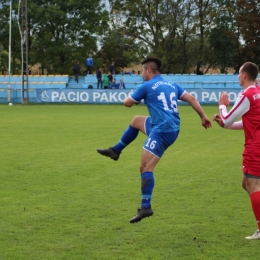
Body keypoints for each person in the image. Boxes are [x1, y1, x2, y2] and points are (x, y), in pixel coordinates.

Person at [97, 57, 212, 223]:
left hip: (163, 130)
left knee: (145, 167)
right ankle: (115, 151)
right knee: (136, 121)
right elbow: (192, 99)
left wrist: (136, 98)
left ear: (149, 70)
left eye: (143, 71)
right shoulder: (171, 84)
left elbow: (127, 103)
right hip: (170, 126)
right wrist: (203, 116)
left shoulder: (147, 85)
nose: (142, 74)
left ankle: (146, 207)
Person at [213, 62, 260, 240]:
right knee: (246, 184)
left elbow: (226, 118)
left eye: (239, 74)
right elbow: (246, 123)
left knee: (253, 186)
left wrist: (222, 106)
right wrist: (225, 125)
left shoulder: (247, 94)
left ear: (245, 75)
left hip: (255, 147)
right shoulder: (258, 92)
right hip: (256, 143)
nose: (238, 77)